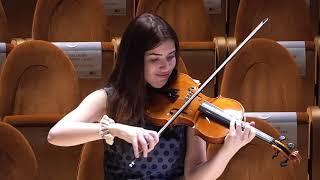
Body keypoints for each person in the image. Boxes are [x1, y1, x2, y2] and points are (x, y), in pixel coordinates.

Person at [47, 13, 256, 180]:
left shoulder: (189, 101)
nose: (165, 66)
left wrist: (229, 149)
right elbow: (56, 135)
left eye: (171, 56)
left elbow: (196, 176)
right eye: (155, 59)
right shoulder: (109, 99)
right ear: (135, 61)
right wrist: (115, 129)